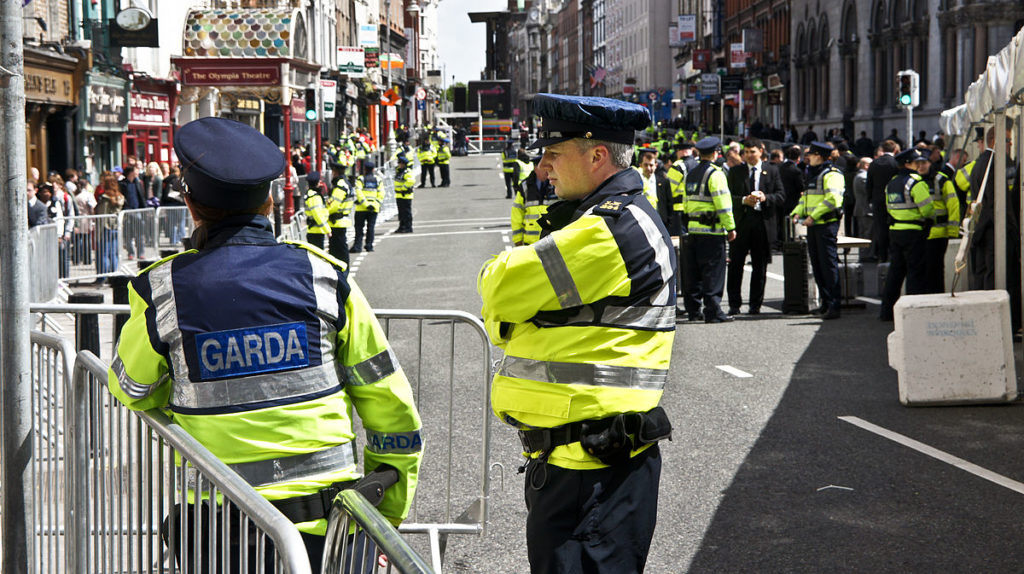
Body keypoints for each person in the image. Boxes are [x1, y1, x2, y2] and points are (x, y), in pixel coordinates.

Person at [106, 117, 422, 574]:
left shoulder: (163, 291)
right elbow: (389, 401)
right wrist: (385, 514)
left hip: (214, 535)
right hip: (333, 529)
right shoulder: (324, 278)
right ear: (269, 202)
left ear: (191, 206)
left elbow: (131, 389)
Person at [477, 93, 675, 574]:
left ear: (596, 155)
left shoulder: (610, 228)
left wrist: (521, 315)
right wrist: (518, 317)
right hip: (581, 462)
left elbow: (498, 287)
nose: (544, 169)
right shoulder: (604, 218)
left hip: (592, 472)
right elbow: (505, 321)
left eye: (553, 154)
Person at [726, 137, 785, 315]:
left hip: (763, 223)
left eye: (753, 152)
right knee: (736, 265)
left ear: (761, 151)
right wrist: (744, 200)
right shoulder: (736, 172)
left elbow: (781, 196)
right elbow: (727, 197)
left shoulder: (772, 171)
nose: (749, 155)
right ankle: (734, 304)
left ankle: (755, 305)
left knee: (760, 267)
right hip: (742, 223)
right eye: (746, 152)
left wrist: (766, 198)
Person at [682, 136, 737, 323]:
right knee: (713, 272)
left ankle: (693, 311)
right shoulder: (716, 174)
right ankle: (713, 312)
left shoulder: (691, 174)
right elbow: (723, 204)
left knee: (693, 272)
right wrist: (730, 227)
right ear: (716, 153)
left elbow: (685, 203)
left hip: (693, 230)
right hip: (711, 232)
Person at [879, 148, 936, 321]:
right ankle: (913, 312)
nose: (919, 165)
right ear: (907, 164)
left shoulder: (892, 183)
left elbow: (889, 208)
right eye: (915, 162)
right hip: (914, 232)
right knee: (915, 272)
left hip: (895, 231)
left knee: (895, 273)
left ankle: (887, 312)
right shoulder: (916, 183)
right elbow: (927, 209)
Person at [791, 141, 844, 320]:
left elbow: (833, 200)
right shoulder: (814, 174)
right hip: (813, 225)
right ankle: (825, 303)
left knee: (828, 266)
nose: (808, 158)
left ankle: (834, 305)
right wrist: (796, 213)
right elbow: (805, 200)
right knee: (818, 265)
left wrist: (813, 216)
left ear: (819, 156)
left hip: (825, 224)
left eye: (810, 155)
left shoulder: (832, 174)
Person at [925, 150, 960, 294]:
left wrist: (952, 231)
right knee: (927, 269)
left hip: (938, 233)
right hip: (924, 233)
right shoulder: (916, 181)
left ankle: (937, 295)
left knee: (936, 268)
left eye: (924, 163)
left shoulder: (942, 180)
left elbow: (953, 205)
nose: (921, 166)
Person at [867, 139, 900, 262]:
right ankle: (894, 255)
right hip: (894, 199)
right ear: (895, 150)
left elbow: (869, 184)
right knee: (893, 226)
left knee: (880, 228)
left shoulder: (874, 163)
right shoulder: (896, 163)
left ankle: (882, 256)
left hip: (878, 200)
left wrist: (870, 199)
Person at [510, 156, 555, 246]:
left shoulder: (558, 184)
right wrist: (518, 240)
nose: (547, 171)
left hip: (553, 243)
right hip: (530, 244)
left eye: (549, 168)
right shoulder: (525, 187)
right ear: (535, 169)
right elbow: (517, 214)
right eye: (543, 168)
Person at [94, 171, 124, 277]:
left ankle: (103, 276)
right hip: (116, 227)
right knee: (113, 253)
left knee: (104, 253)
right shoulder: (119, 197)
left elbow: (102, 216)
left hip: (106, 228)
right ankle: (114, 274)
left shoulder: (105, 198)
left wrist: (98, 234)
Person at [326, 161, 355, 264]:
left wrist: (324, 212)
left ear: (336, 171)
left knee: (338, 251)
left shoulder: (340, 185)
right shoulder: (346, 183)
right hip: (341, 220)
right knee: (340, 249)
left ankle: (343, 272)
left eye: (333, 171)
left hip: (337, 221)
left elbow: (334, 205)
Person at [351, 160, 383, 253]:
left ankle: (357, 247)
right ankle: (369, 246)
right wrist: (374, 204)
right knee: (371, 228)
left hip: (361, 208)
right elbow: (381, 193)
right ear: (373, 169)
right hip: (374, 208)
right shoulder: (378, 180)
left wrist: (366, 204)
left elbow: (359, 193)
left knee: (359, 228)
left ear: (364, 169)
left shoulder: (361, 179)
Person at [852, 157, 874, 261]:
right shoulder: (863, 177)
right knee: (866, 234)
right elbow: (869, 192)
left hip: (862, 209)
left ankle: (865, 254)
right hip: (865, 210)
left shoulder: (859, 176)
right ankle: (866, 255)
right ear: (866, 166)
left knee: (865, 233)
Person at [303, 170, 331, 249]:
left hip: (314, 230)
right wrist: (327, 230)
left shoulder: (311, 194)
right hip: (316, 231)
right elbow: (318, 215)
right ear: (317, 182)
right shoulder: (314, 197)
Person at [393, 153, 416, 233]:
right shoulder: (398, 171)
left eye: (400, 163)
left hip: (406, 195)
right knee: (401, 212)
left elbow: (411, 181)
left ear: (403, 164)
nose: (399, 164)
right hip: (399, 194)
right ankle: (402, 226)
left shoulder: (407, 172)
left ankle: (408, 227)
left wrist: (403, 188)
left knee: (407, 213)